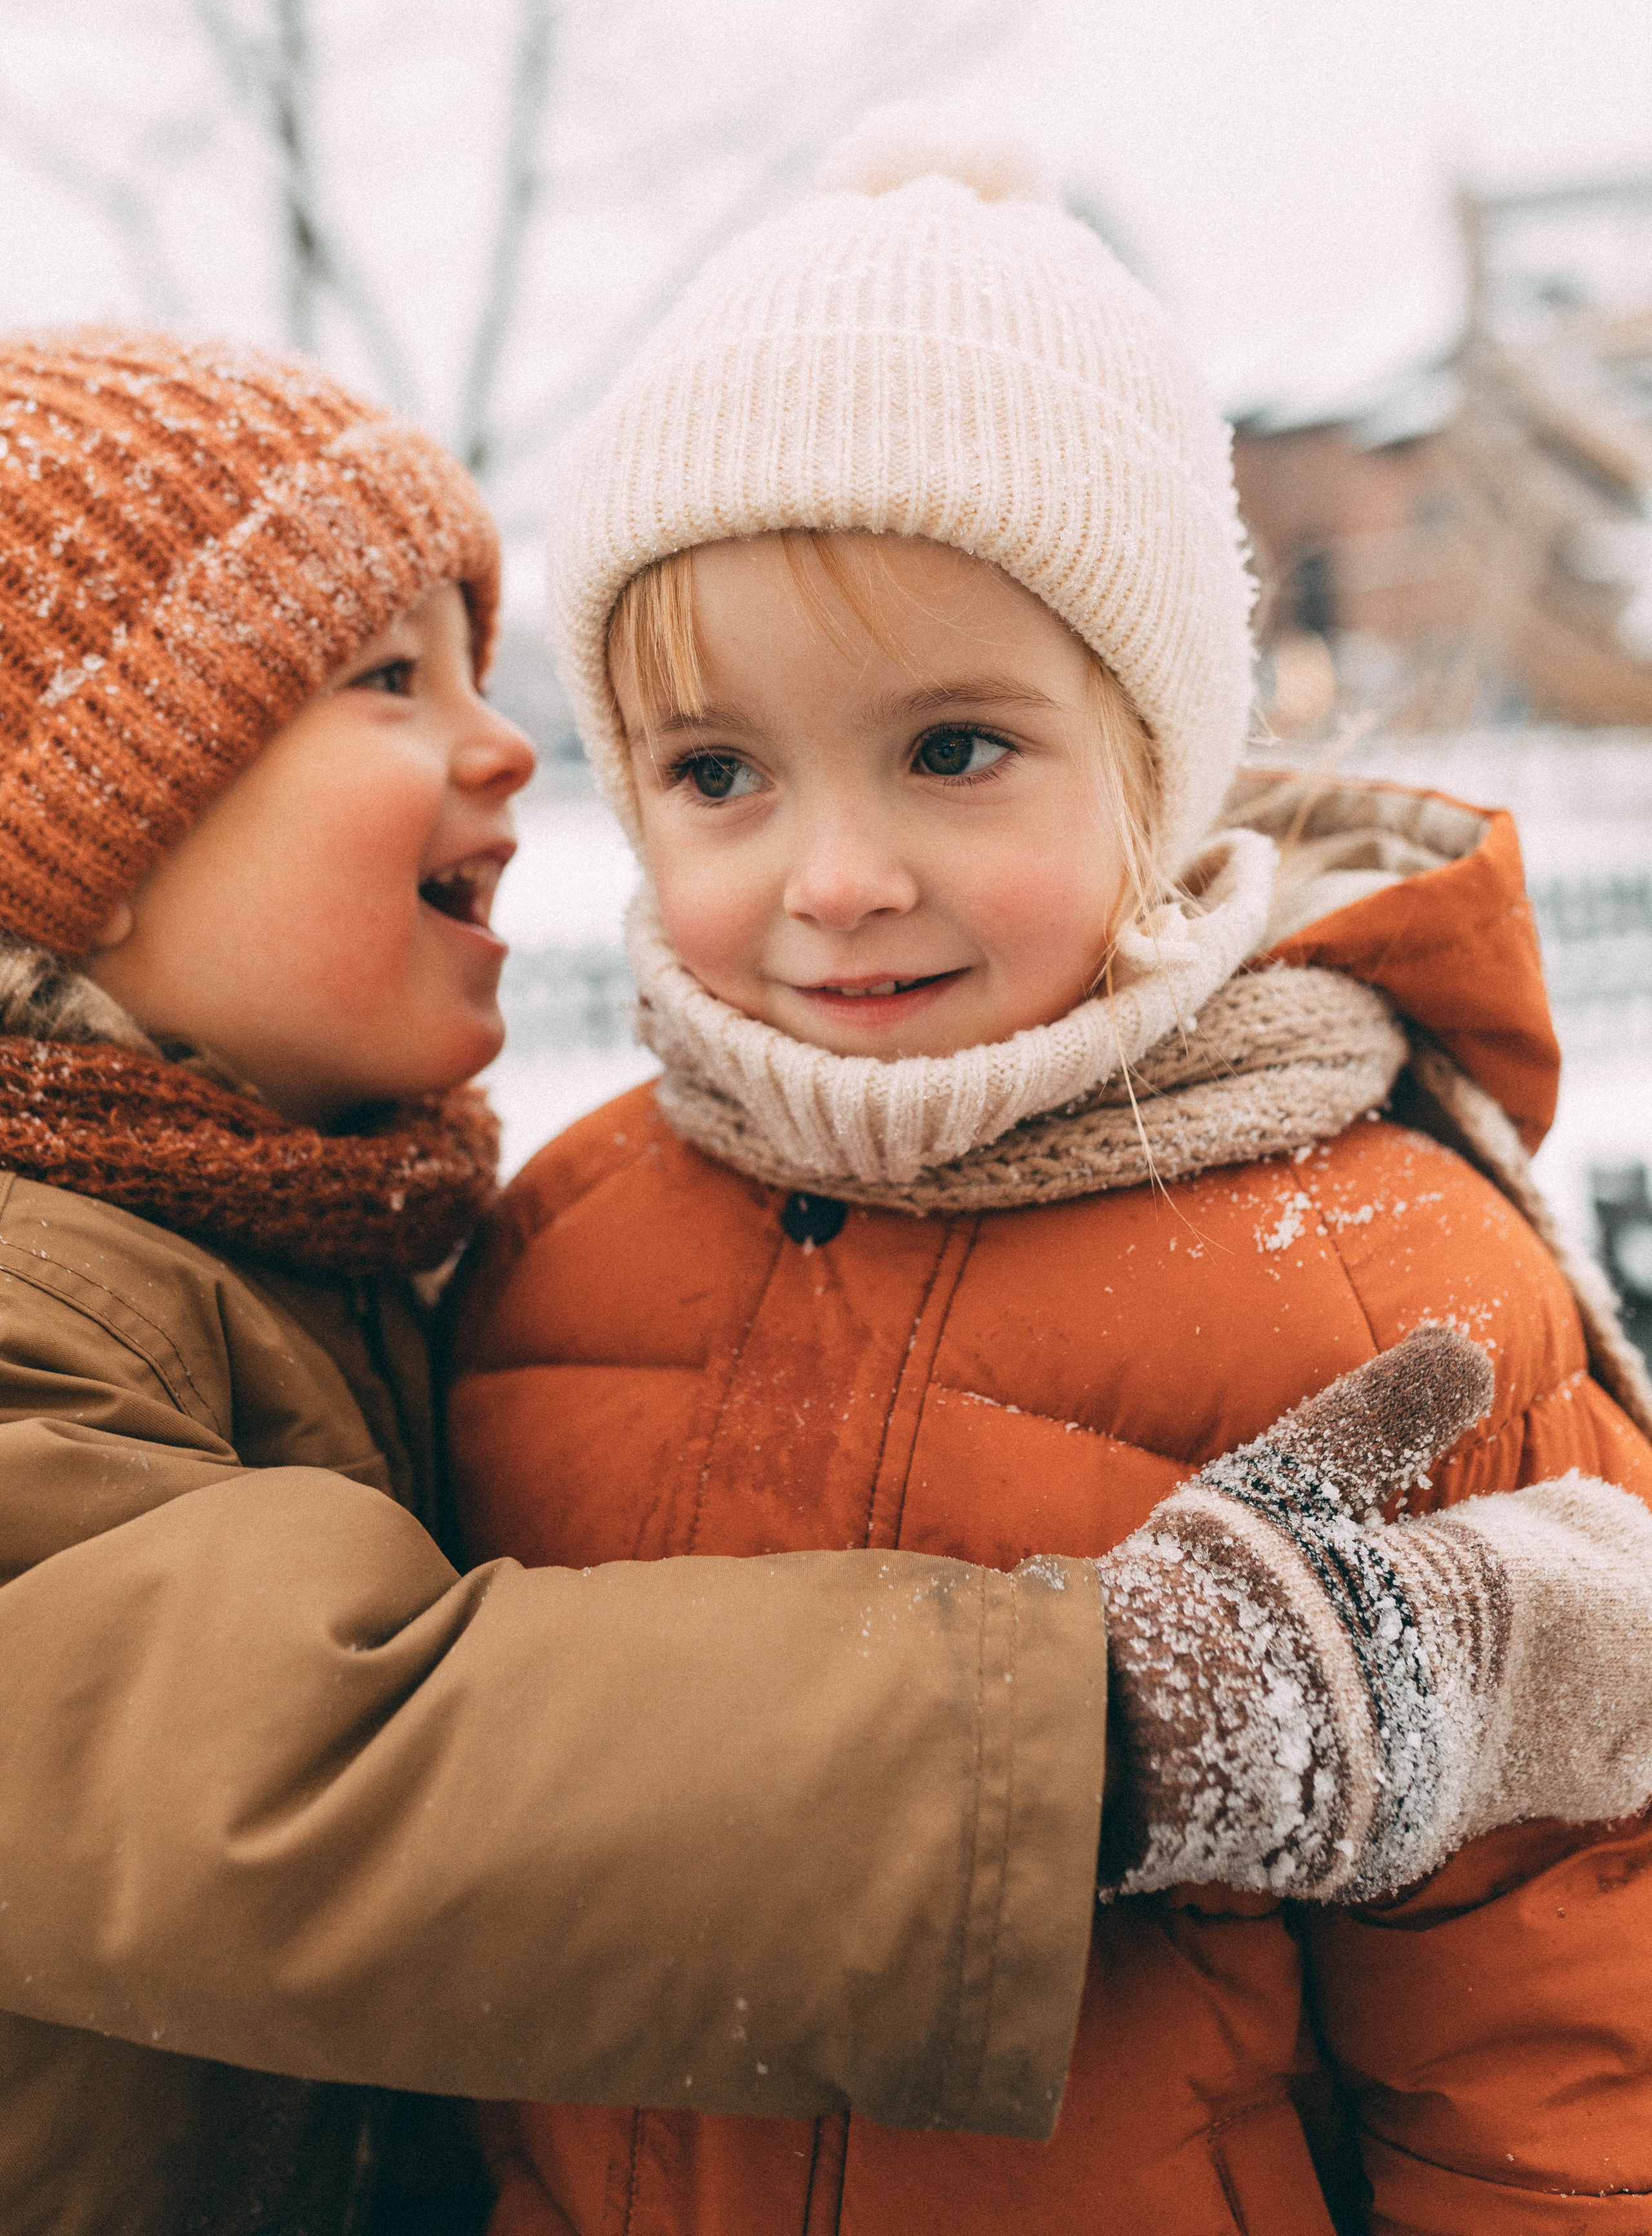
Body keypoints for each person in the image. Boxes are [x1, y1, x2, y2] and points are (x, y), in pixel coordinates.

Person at [445, 112, 1652, 2235]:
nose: (834, 877)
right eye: (717, 772)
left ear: (1159, 759)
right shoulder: (561, 1254)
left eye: (952, 749)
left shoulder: (1389, 1285)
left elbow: (1557, 2038)